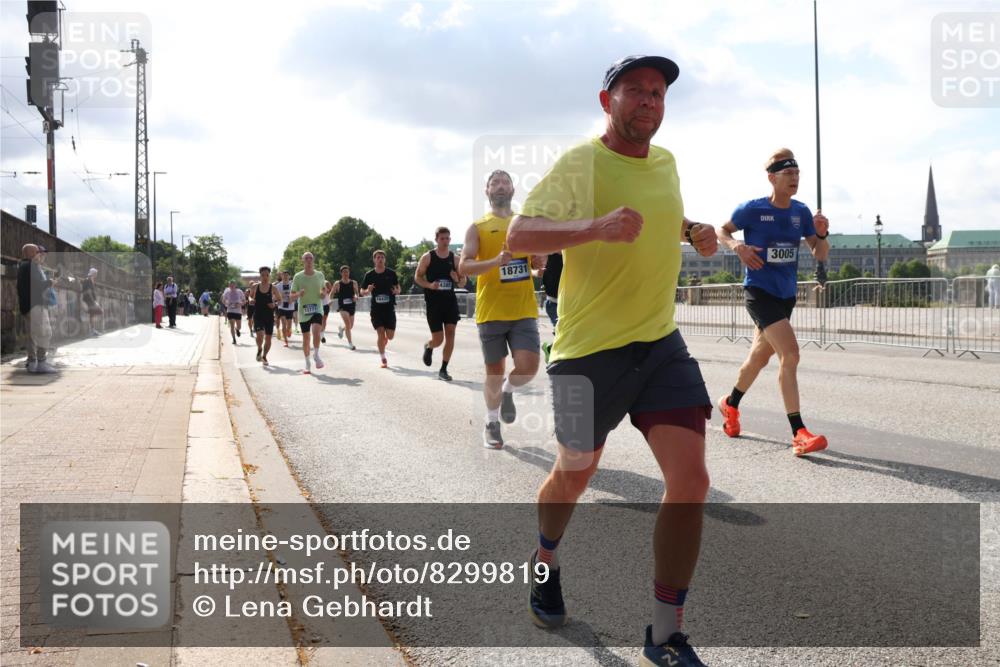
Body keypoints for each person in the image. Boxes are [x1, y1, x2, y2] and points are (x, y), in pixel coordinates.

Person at [507, 55, 719, 666]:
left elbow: (659, 218)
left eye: (658, 92)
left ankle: (664, 634)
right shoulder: (581, 162)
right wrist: (593, 228)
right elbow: (520, 235)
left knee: (691, 482)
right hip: (586, 351)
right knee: (575, 471)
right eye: (636, 90)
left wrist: (693, 230)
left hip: (659, 344)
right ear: (608, 101)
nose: (649, 100)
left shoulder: (667, 162)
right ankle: (545, 559)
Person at [717, 148, 830, 457]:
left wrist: (822, 234)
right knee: (790, 354)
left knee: (758, 358)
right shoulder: (752, 209)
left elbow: (820, 253)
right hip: (759, 292)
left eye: (797, 173)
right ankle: (799, 433)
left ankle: (730, 404)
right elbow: (721, 230)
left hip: (786, 295)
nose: (795, 178)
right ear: (772, 178)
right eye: (788, 174)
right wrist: (737, 246)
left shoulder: (801, 212)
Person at [459, 170, 545, 449]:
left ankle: (508, 390)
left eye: (505, 181)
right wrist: (495, 261)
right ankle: (492, 424)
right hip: (492, 311)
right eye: (494, 182)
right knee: (494, 372)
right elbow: (465, 266)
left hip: (523, 310)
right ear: (487, 191)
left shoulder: (523, 224)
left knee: (529, 367)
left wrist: (539, 264)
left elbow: (534, 264)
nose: (500, 186)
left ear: (512, 190)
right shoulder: (478, 227)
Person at [415, 226, 467, 381]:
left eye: (447, 238)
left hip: (450, 302)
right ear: (436, 240)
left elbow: (463, 282)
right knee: (438, 339)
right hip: (433, 303)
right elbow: (417, 277)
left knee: (451, 335)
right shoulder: (428, 257)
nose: (445, 241)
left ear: (450, 240)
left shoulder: (455, 259)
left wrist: (457, 279)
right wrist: (430, 285)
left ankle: (443, 369)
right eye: (442, 238)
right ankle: (429, 346)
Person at [16, 243, 56, 373]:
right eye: (38, 252)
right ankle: (42, 363)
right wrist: (50, 282)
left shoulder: (22, 266)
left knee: (31, 336)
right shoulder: (32, 265)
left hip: (26, 306)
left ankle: (32, 363)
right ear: (33, 253)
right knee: (45, 333)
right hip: (36, 306)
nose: (40, 254)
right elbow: (38, 285)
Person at [361, 250, 400, 368]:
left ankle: (385, 339)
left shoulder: (391, 273)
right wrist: (367, 290)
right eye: (378, 257)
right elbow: (362, 291)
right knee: (380, 333)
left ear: (385, 259)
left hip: (389, 309)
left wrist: (397, 291)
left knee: (390, 336)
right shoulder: (369, 275)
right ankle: (383, 358)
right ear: (374, 260)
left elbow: (398, 288)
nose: (380, 259)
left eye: (382, 257)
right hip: (376, 310)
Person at [291, 252, 326, 374]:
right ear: (303, 261)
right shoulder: (298, 277)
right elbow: (291, 296)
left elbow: (323, 289)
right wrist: (298, 294)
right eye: (306, 258)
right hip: (303, 311)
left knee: (316, 332)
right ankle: (307, 363)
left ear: (313, 260)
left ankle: (316, 354)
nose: (309, 260)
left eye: (311, 258)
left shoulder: (320, 275)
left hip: (317, 309)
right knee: (306, 338)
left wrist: (323, 293)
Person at [249, 266, 280, 365]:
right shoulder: (255, 286)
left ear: (269, 275)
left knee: (268, 338)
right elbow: (250, 296)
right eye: (263, 275)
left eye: (267, 275)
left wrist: (274, 304)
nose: (265, 277)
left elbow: (280, 300)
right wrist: (251, 300)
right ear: (260, 276)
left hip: (269, 316)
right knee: (260, 335)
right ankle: (259, 348)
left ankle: (264, 356)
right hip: (258, 315)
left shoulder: (273, 288)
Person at [539, 251, 563, 362]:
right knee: (563, 334)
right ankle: (553, 354)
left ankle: (550, 349)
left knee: (566, 335)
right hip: (554, 303)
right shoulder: (553, 249)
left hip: (570, 302)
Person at [333, 266, 359, 350]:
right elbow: (331, 293)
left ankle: (342, 329)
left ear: (349, 273)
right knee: (348, 324)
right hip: (342, 307)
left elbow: (357, 293)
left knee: (350, 326)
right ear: (341, 273)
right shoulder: (337, 283)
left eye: (347, 272)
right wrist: (329, 301)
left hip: (351, 306)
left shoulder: (354, 283)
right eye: (344, 272)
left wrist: (356, 297)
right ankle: (350, 344)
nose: (345, 273)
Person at [80, 268, 103, 336]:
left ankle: (92, 330)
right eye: (95, 273)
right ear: (93, 273)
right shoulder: (88, 280)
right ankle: (92, 330)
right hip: (89, 300)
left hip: (90, 300)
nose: (96, 275)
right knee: (95, 313)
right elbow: (88, 291)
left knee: (93, 314)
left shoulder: (90, 280)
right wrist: (93, 301)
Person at [275, 271, 295, 346]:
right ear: (281, 276)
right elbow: (274, 296)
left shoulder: (292, 284)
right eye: (284, 275)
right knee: (283, 324)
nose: (285, 277)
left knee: (289, 326)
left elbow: (296, 294)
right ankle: (286, 341)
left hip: (290, 307)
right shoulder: (278, 286)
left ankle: (289, 330)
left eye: (287, 275)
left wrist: (292, 298)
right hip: (281, 307)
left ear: (289, 276)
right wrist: (280, 296)